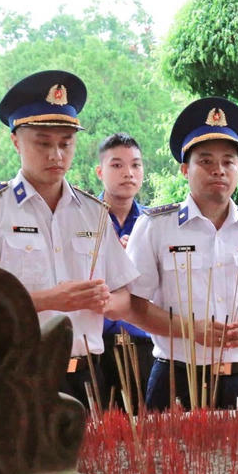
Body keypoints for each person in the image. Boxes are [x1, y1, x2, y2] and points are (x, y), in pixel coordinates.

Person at [0, 70, 139, 409]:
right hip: (16, 378)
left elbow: (124, 295)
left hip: (86, 378)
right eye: (43, 143)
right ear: (15, 141)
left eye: (65, 144)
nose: (56, 155)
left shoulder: (93, 212)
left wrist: (103, 301)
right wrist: (48, 299)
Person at [125, 97, 238, 410]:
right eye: (205, 161)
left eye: (228, 162)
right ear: (185, 168)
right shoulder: (156, 227)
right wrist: (189, 329)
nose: (218, 170)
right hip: (176, 379)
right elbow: (133, 305)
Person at [95, 133, 153, 409]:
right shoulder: (82, 219)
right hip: (96, 347)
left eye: (136, 165)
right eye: (117, 165)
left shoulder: (153, 224)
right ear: (100, 172)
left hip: (143, 347)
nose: (128, 173)